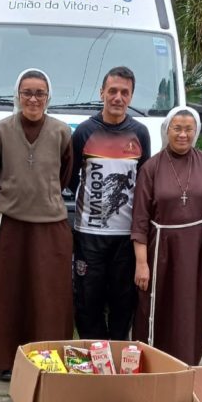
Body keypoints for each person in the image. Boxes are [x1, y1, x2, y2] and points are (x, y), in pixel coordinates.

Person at [0, 68, 73, 379]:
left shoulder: (61, 132)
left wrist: (42, 195)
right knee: (10, 294)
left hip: (50, 225)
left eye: (40, 93)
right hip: (11, 225)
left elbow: (65, 176)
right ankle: (8, 359)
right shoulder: (1, 130)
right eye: (27, 92)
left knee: (47, 295)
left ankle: (46, 358)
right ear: (17, 96)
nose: (33, 99)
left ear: (48, 97)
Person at [131, 107, 202, 365]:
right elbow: (140, 218)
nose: (183, 134)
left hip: (196, 249)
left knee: (192, 305)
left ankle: (187, 360)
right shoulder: (151, 167)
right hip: (161, 248)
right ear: (166, 130)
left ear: (196, 131)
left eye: (188, 129)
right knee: (158, 305)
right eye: (177, 128)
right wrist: (141, 262)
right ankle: (154, 361)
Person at [70, 66, 151, 339]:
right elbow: (71, 179)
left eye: (124, 92)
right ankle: (93, 356)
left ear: (131, 96)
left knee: (122, 301)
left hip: (125, 237)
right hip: (89, 235)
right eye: (113, 90)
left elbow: (144, 183)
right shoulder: (83, 132)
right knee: (87, 300)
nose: (118, 97)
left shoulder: (140, 134)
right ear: (102, 92)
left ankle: (116, 356)